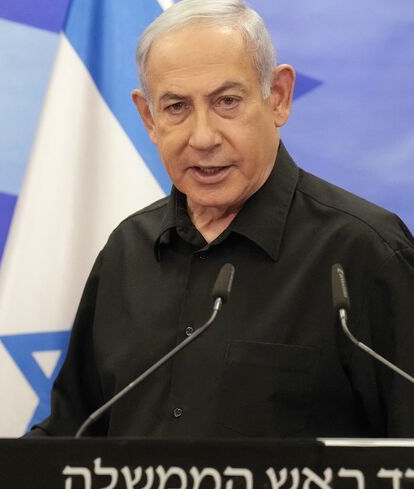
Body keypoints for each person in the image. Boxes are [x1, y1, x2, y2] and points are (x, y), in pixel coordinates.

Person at [31, 0, 414, 438]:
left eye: (227, 101)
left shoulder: (365, 252)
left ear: (278, 98)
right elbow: (69, 440)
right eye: (175, 107)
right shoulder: (127, 251)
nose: (203, 137)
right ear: (148, 118)